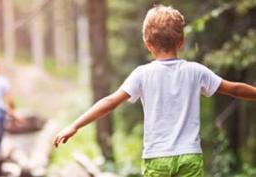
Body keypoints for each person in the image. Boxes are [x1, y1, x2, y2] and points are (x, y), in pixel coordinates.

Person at [53, 5, 256, 177]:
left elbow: (110, 102)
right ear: (181, 41)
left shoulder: (142, 74)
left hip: (156, 158)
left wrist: (75, 125)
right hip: (189, 156)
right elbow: (235, 89)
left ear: (148, 44)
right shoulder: (196, 71)